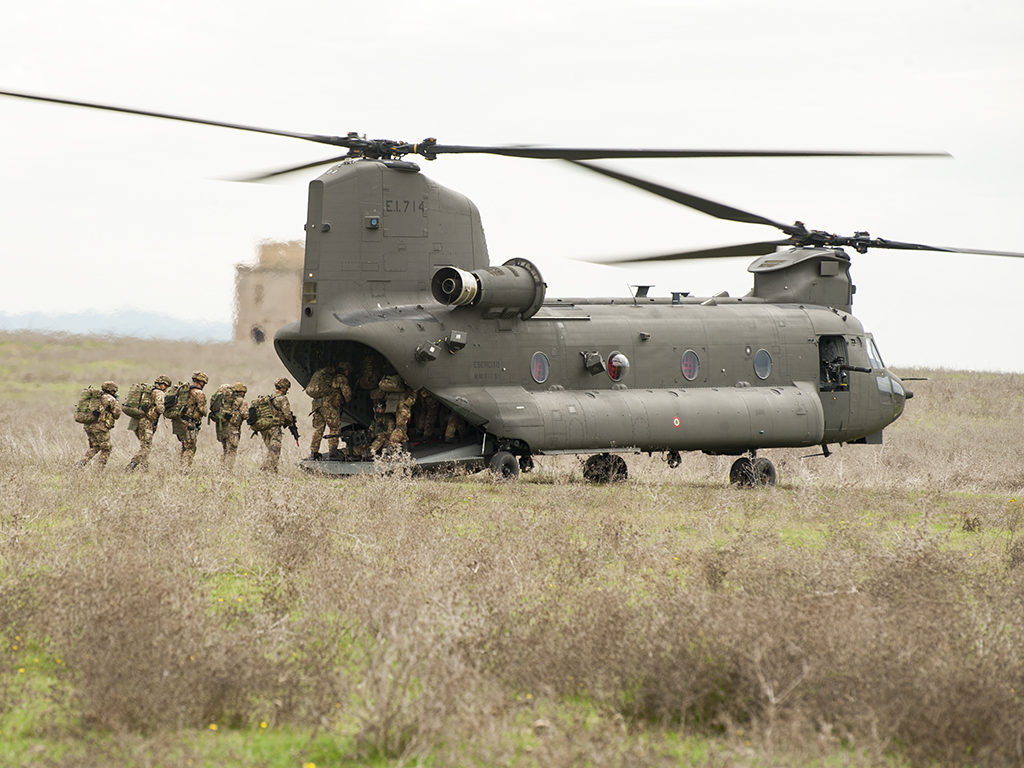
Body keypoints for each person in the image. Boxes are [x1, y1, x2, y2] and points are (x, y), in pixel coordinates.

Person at [307, 361, 353, 460]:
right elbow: (347, 393)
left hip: (316, 405)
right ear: (345, 370)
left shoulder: (327, 378)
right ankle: (333, 452)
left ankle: (314, 452)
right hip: (328, 406)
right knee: (335, 428)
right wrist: (348, 400)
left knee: (318, 429)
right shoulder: (341, 378)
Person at [125, 375, 171, 471]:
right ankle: (132, 465)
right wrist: (166, 407)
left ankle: (144, 468)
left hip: (135, 421)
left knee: (144, 445)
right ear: (163, 385)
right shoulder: (159, 393)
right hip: (146, 422)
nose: (166, 389)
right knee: (146, 447)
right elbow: (160, 408)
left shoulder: (148, 391)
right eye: (166, 387)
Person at [79, 381, 122, 468]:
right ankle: (99, 470)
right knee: (106, 448)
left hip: (88, 426)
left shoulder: (95, 397)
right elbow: (117, 413)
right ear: (112, 390)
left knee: (95, 447)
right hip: (100, 427)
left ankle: (81, 464)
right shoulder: (110, 398)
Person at [172, 371, 208, 469]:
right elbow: (203, 410)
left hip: (178, 422)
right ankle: (185, 469)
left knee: (185, 446)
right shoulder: (199, 393)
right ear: (201, 382)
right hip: (189, 424)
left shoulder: (184, 391)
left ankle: (181, 467)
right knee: (190, 448)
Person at [261, 377, 294, 472]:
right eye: (287, 388)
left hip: (264, 427)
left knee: (271, 449)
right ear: (283, 388)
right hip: (274, 428)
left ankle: (271, 470)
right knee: (275, 450)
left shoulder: (269, 397)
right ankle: (267, 470)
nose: (287, 390)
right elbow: (287, 415)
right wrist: (290, 422)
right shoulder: (282, 399)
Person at [216, 382, 248, 469]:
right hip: (233, 429)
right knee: (232, 451)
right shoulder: (241, 401)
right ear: (241, 392)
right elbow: (245, 415)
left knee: (225, 449)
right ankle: (227, 471)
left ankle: (222, 469)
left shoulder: (226, 400)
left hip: (222, 428)